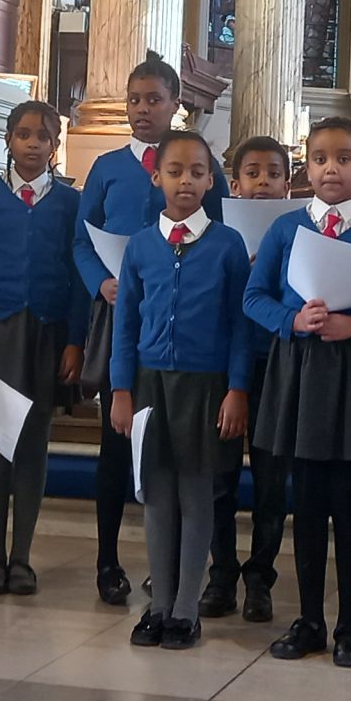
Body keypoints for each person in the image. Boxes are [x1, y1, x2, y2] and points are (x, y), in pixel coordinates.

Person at [248, 117, 351, 667]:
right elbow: (254, 297)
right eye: (319, 159)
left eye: (343, 159)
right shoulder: (286, 229)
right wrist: (293, 320)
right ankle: (310, 619)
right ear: (306, 168)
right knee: (309, 503)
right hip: (302, 374)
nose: (330, 169)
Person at [74, 53, 223, 607]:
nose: (142, 109)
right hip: (120, 314)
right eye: (134, 100)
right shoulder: (108, 168)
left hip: (182, 325)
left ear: (174, 104)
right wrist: (101, 283)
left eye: (154, 100)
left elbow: (217, 231)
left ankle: (173, 571)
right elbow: (81, 240)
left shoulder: (200, 165)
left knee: (177, 454)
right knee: (117, 447)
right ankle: (107, 561)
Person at [110, 131, 253, 650]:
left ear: (211, 180)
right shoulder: (141, 245)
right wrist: (121, 389)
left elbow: (240, 325)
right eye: (175, 171)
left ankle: (187, 610)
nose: (185, 181)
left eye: (196, 172)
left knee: (196, 495)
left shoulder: (227, 245)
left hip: (205, 386)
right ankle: (159, 606)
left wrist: (237, 388)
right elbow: (125, 323)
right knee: (157, 496)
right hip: (151, 386)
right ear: (157, 178)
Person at [0, 100, 86, 597]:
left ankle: (22, 558)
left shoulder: (69, 204)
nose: (33, 143)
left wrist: (75, 340)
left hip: (48, 333)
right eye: (24, 134)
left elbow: (79, 278)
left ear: (55, 145)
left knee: (33, 444)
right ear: (8, 139)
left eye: (43, 136)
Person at [206, 135, 294, 624]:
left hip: (276, 366)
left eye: (273, 174)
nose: (263, 182)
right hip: (224, 370)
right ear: (234, 184)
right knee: (219, 477)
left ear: (287, 185)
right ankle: (221, 574)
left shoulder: (299, 233)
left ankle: (260, 579)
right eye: (253, 173)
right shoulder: (217, 237)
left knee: (271, 483)